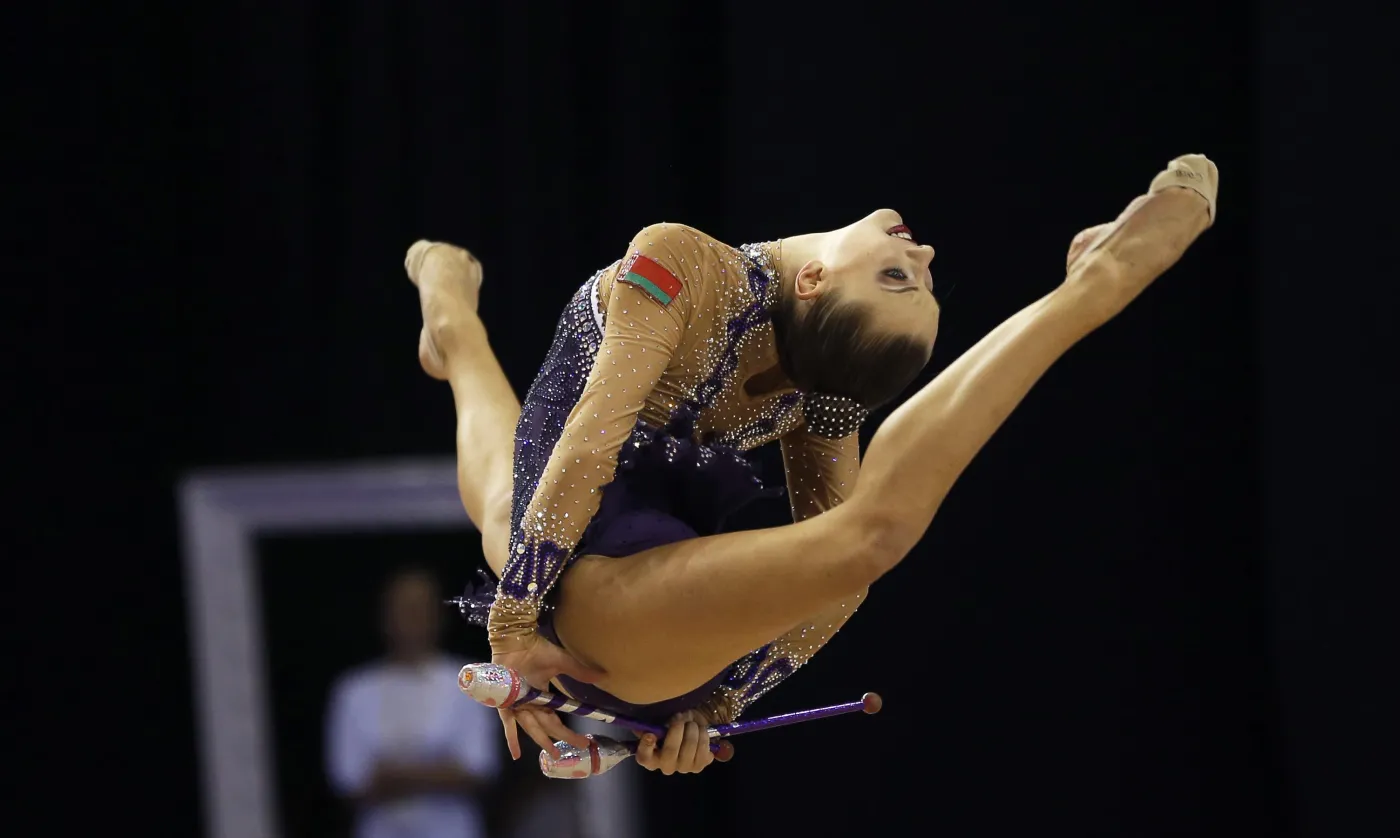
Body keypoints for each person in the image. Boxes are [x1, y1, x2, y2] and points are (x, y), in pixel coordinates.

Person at [405, 155, 1219, 776]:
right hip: (554, 531)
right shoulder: (683, 263)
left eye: (910, 279)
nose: (926, 250)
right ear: (813, 279)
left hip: (612, 599)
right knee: (514, 505)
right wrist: (511, 624)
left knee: (858, 542)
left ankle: (1097, 286)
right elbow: (589, 437)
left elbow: (838, 579)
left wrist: (716, 701)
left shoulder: (823, 389)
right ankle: (453, 320)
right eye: (910, 278)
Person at [325, 567, 500, 838]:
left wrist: (395, 775)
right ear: (384, 617)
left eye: (419, 610)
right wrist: (439, 770)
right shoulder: (354, 691)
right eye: (402, 610)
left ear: (439, 617)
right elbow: (348, 780)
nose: (411, 620)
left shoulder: (470, 682)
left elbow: (479, 769)